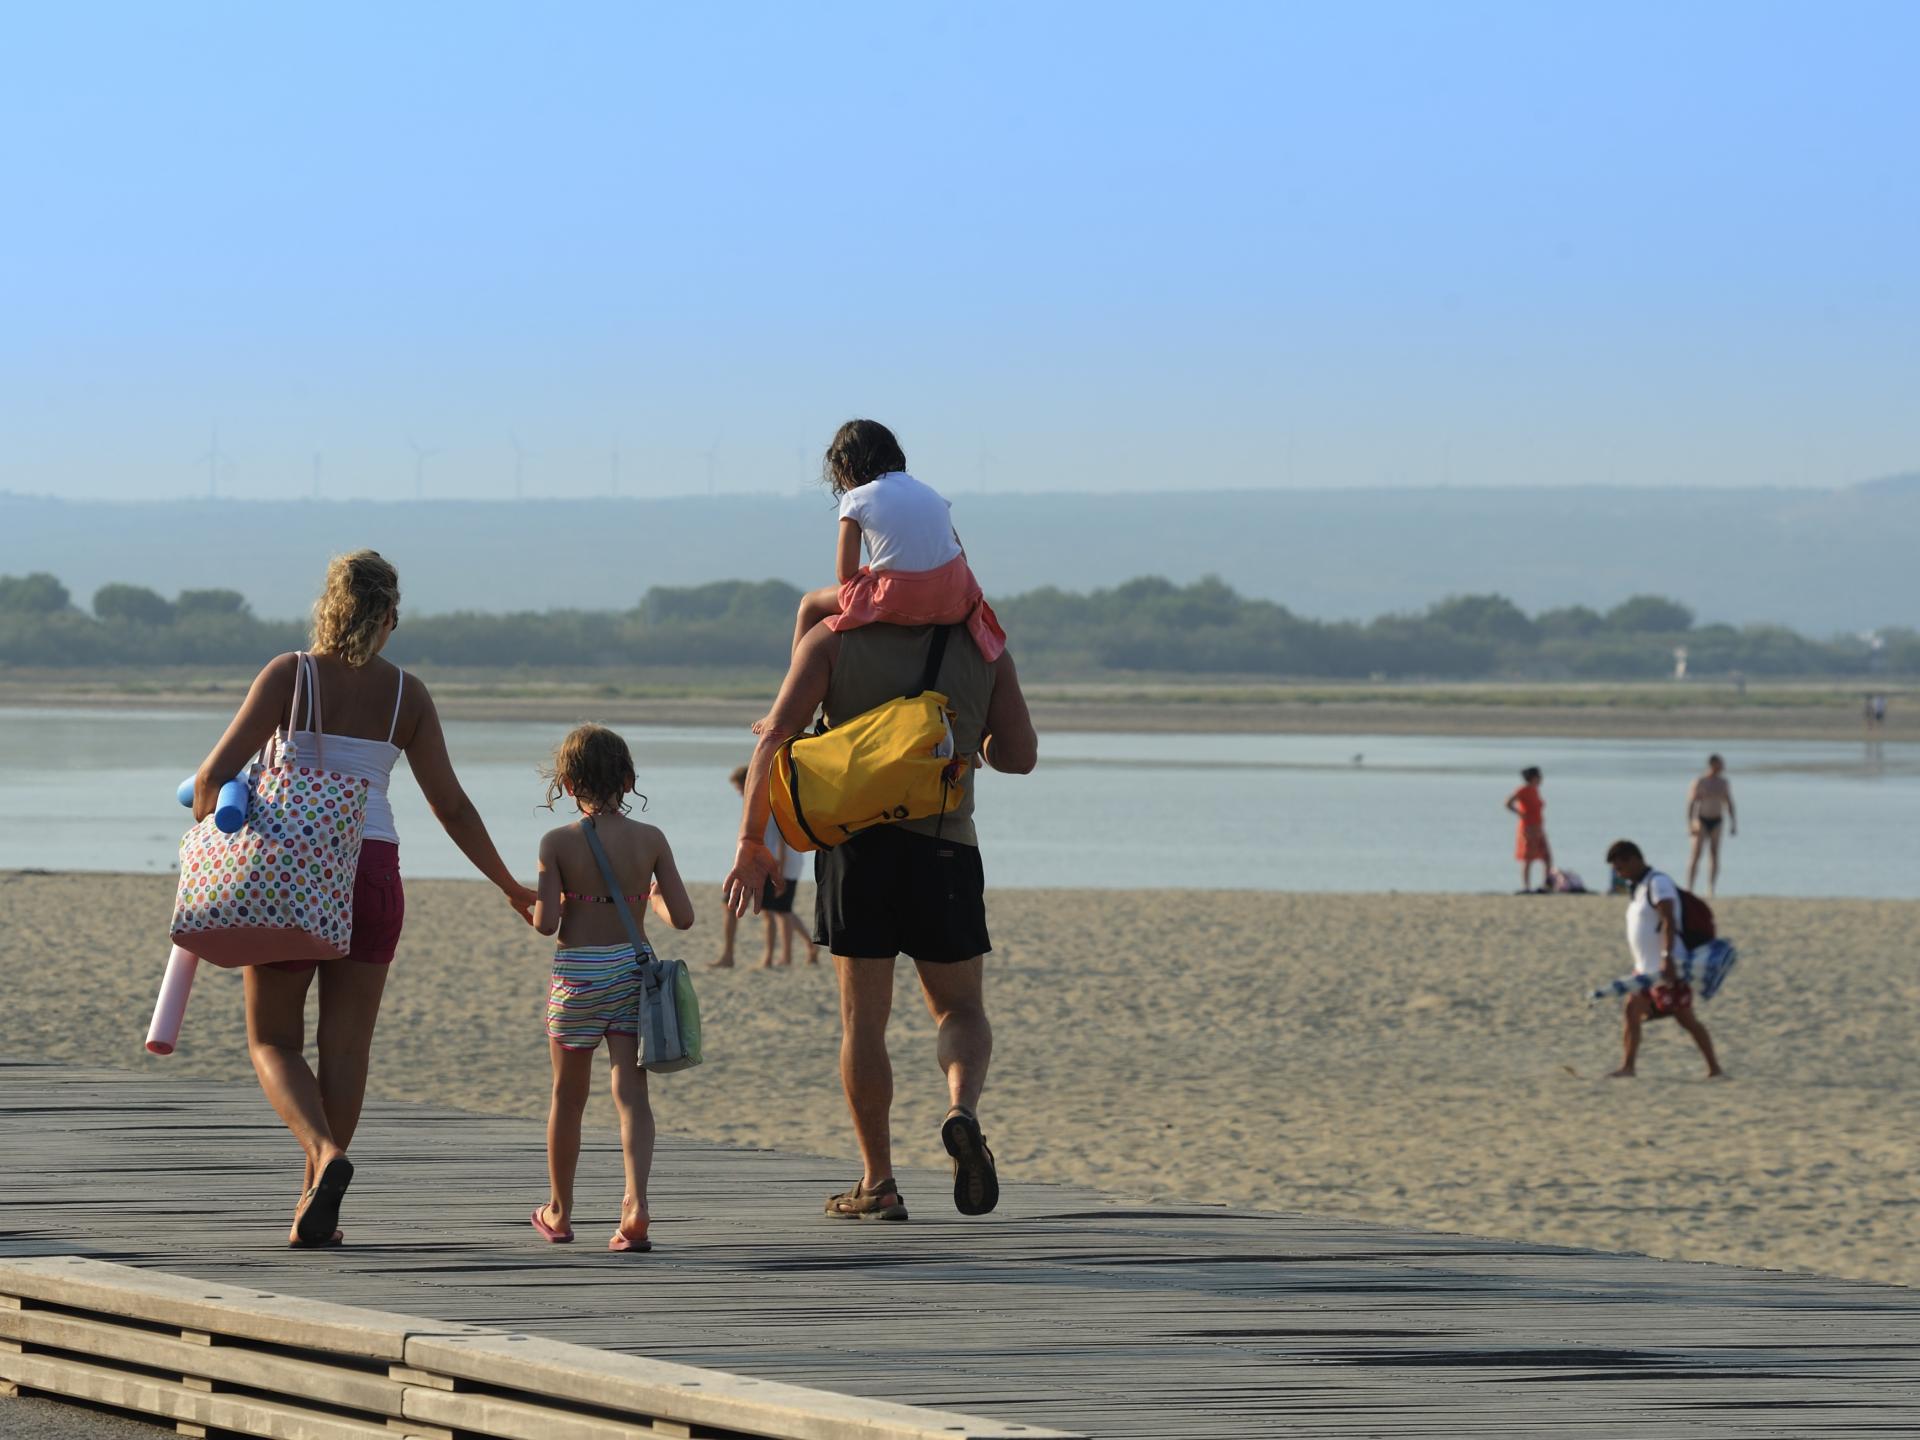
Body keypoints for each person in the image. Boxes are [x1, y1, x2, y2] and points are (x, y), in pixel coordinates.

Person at [189, 551, 536, 1248]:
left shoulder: (290, 675)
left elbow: (210, 780)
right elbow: (452, 806)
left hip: (290, 870)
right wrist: (508, 885)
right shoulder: (409, 695)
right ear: (390, 619)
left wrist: (218, 815)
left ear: (328, 607)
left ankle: (323, 1154)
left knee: (273, 1039)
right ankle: (315, 1206)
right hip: (373, 869)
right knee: (345, 1048)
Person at [723, 613, 1038, 1222]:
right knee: (960, 1009)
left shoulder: (834, 637)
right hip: (945, 846)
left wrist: (750, 840)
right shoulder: (985, 647)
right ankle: (961, 1110)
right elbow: (1019, 757)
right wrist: (974, 738)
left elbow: (775, 736)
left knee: (863, 1023)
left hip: (854, 851)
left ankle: (879, 1183)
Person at [529, 724, 694, 1252]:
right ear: (627, 780)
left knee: (567, 1097)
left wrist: (538, 901)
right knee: (632, 1094)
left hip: (577, 974)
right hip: (629, 971)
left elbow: (547, 924)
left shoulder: (557, 842)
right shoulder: (651, 839)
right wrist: (651, 898)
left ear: (568, 784)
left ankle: (560, 1211)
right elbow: (683, 917)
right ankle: (635, 1204)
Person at [782, 419, 1006, 663]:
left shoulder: (855, 498)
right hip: (957, 597)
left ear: (845, 464)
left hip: (897, 598)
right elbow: (961, 558)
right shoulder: (930, 493)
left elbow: (845, 574)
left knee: (810, 604)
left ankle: (796, 676)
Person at [1603, 840, 1725, 1080]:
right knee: (1631, 1010)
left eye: (1620, 868)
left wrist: (1667, 958)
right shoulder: (1638, 887)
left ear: (1633, 860)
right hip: (1644, 970)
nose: (1619, 874)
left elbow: (1669, 919)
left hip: (1667, 966)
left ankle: (1715, 1068)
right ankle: (1628, 1067)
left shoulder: (1658, 883)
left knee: (1686, 1019)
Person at [713, 765, 815, 968]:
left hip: (769, 864)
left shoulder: (770, 802)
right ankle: (730, 955)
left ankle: (773, 957)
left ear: (749, 783)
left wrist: (781, 873)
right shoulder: (753, 803)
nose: (739, 793)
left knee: (774, 910)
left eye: (740, 788)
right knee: (737, 906)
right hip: (754, 862)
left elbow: (783, 840)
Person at [1685, 754, 1736, 895]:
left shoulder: (1723, 782)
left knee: (1714, 854)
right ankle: (1690, 887)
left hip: (1717, 820)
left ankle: (1711, 888)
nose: (1723, 767)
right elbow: (1691, 804)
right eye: (1720, 764)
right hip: (1701, 820)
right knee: (1696, 854)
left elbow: (1729, 802)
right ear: (1713, 764)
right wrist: (1690, 824)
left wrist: (1733, 823)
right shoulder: (1700, 782)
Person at [1505, 766, 1551, 892]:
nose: (1541, 779)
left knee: (1547, 857)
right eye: (1539, 776)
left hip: (1539, 828)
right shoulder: (1523, 790)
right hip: (1528, 828)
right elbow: (1508, 803)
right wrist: (1519, 813)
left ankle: (1546, 885)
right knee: (1528, 858)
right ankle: (1526, 887)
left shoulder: (1535, 790)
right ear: (1533, 778)